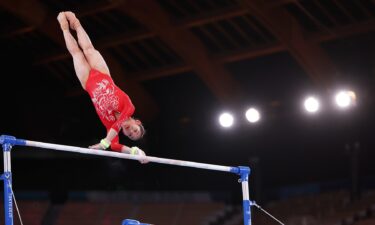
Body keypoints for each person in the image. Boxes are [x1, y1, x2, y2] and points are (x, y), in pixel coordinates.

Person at [57, 11, 148, 163]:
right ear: (137, 122)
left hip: (87, 82)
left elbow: (115, 145)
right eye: (135, 130)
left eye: (131, 135)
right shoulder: (129, 108)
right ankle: (77, 24)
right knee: (88, 49)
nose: (130, 132)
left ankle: (65, 28)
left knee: (76, 54)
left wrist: (134, 151)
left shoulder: (110, 126)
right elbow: (116, 129)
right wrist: (105, 143)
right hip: (102, 73)